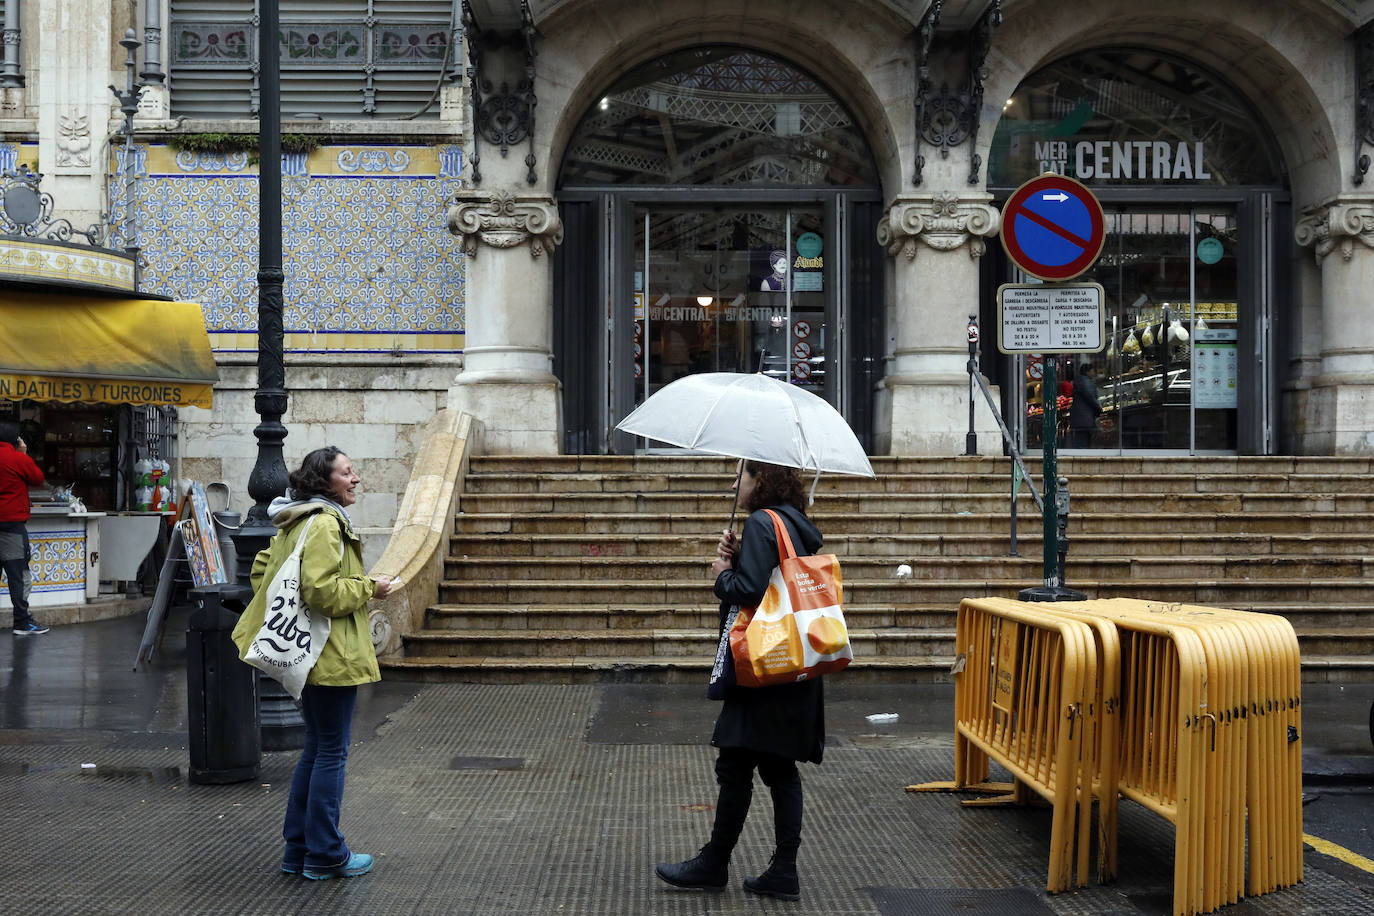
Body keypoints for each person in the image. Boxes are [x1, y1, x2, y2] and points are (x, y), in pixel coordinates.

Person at [655, 459, 824, 902]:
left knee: (738, 766)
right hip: (792, 664)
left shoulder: (763, 523)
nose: (734, 482)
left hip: (763, 668)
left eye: (740, 475)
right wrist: (738, 560)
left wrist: (721, 574)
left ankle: (717, 864)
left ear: (760, 480)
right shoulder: (795, 522)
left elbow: (748, 590)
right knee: (774, 767)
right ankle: (777, 869)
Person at [231, 446, 395, 880]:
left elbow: (261, 571)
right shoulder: (325, 523)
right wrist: (369, 587)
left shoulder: (295, 518)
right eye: (347, 472)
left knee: (317, 749)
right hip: (330, 652)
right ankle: (325, 853)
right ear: (326, 483)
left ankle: (299, 849)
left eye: (354, 470)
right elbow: (323, 592)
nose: (356, 478)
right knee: (331, 753)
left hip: (308, 654)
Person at [0, 421, 48, 636]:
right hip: (11, 527)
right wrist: (24, 453)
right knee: (17, 576)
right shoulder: (17, 459)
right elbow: (37, 478)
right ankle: (21, 622)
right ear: (16, 440)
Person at [1069, 362, 1103, 448]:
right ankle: (1080, 458)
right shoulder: (1085, 382)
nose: (1094, 373)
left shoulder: (1079, 381)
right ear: (1087, 372)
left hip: (1079, 418)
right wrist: (1098, 408)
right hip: (1084, 418)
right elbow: (1090, 397)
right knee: (1082, 442)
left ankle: (1079, 457)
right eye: (1092, 371)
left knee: (1080, 440)